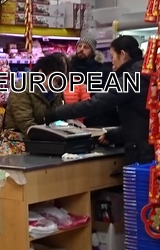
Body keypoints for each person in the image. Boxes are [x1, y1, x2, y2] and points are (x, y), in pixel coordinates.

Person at [45, 35, 153, 165]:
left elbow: (97, 103)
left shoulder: (131, 78)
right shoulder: (143, 72)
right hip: (146, 144)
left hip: (141, 150)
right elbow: (139, 119)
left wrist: (57, 113)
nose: (112, 61)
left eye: (113, 56)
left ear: (123, 55)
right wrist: (113, 135)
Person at [2, 54, 65, 138]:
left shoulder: (55, 91)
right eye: (52, 79)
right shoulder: (21, 89)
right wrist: (49, 138)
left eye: (57, 81)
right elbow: (25, 123)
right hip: (19, 139)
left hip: (42, 139)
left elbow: (57, 117)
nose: (54, 84)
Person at [68, 36, 119, 128]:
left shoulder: (102, 71)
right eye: (79, 46)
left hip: (95, 119)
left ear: (92, 51)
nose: (81, 49)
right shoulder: (67, 68)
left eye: (86, 47)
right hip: (71, 116)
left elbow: (107, 96)